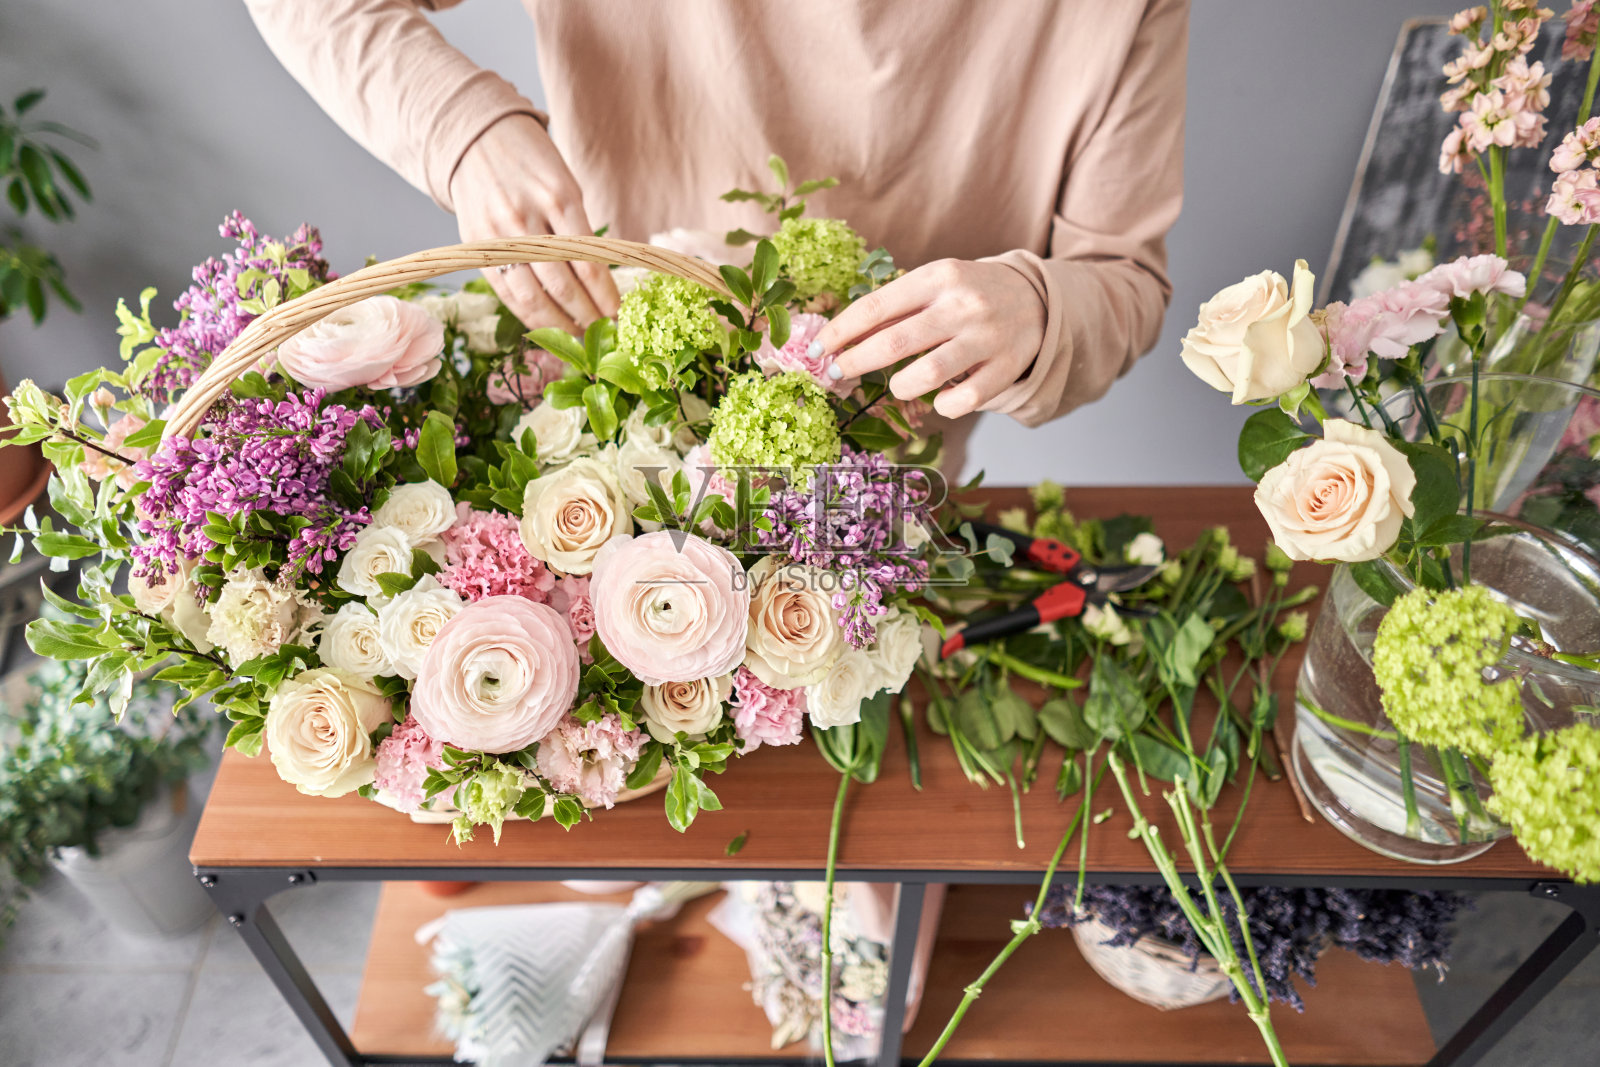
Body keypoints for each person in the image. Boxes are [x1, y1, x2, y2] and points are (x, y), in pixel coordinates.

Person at [246, 0, 1187, 476]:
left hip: (876, 512)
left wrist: (1039, 310)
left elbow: (1123, 275)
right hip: (602, 458)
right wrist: (463, 128)